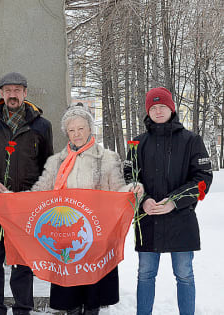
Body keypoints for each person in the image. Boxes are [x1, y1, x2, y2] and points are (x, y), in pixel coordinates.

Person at [30, 104, 143, 315]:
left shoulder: (108, 158)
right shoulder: (57, 162)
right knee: (70, 297)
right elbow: (41, 192)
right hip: (66, 238)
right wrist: (14, 202)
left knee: (93, 296)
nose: (77, 134)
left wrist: (132, 191)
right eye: (71, 130)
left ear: (90, 128)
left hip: (96, 237)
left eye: (81, 128)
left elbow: (118, 191)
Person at [124, 87, 213, 315]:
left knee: (184, 274)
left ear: (172, 108)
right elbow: (129, 177)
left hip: (181, 219)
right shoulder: (137, 143)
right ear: (148, 111)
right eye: (153, 107)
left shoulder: (191, 140)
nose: (158, 111)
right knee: (145, 274)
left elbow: (203, 177)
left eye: (162, 106)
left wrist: (175, 201)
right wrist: (143, 200)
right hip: (148, 220)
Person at [0, 72, 53, 315]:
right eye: (8, 90)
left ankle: (23, 309)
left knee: (23, 263)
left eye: (17, 90)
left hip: (26, 208)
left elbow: (48, 165)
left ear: (25, 93)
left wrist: (35, 194)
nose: (12, 94)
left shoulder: (41, 125)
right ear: (1, 94)